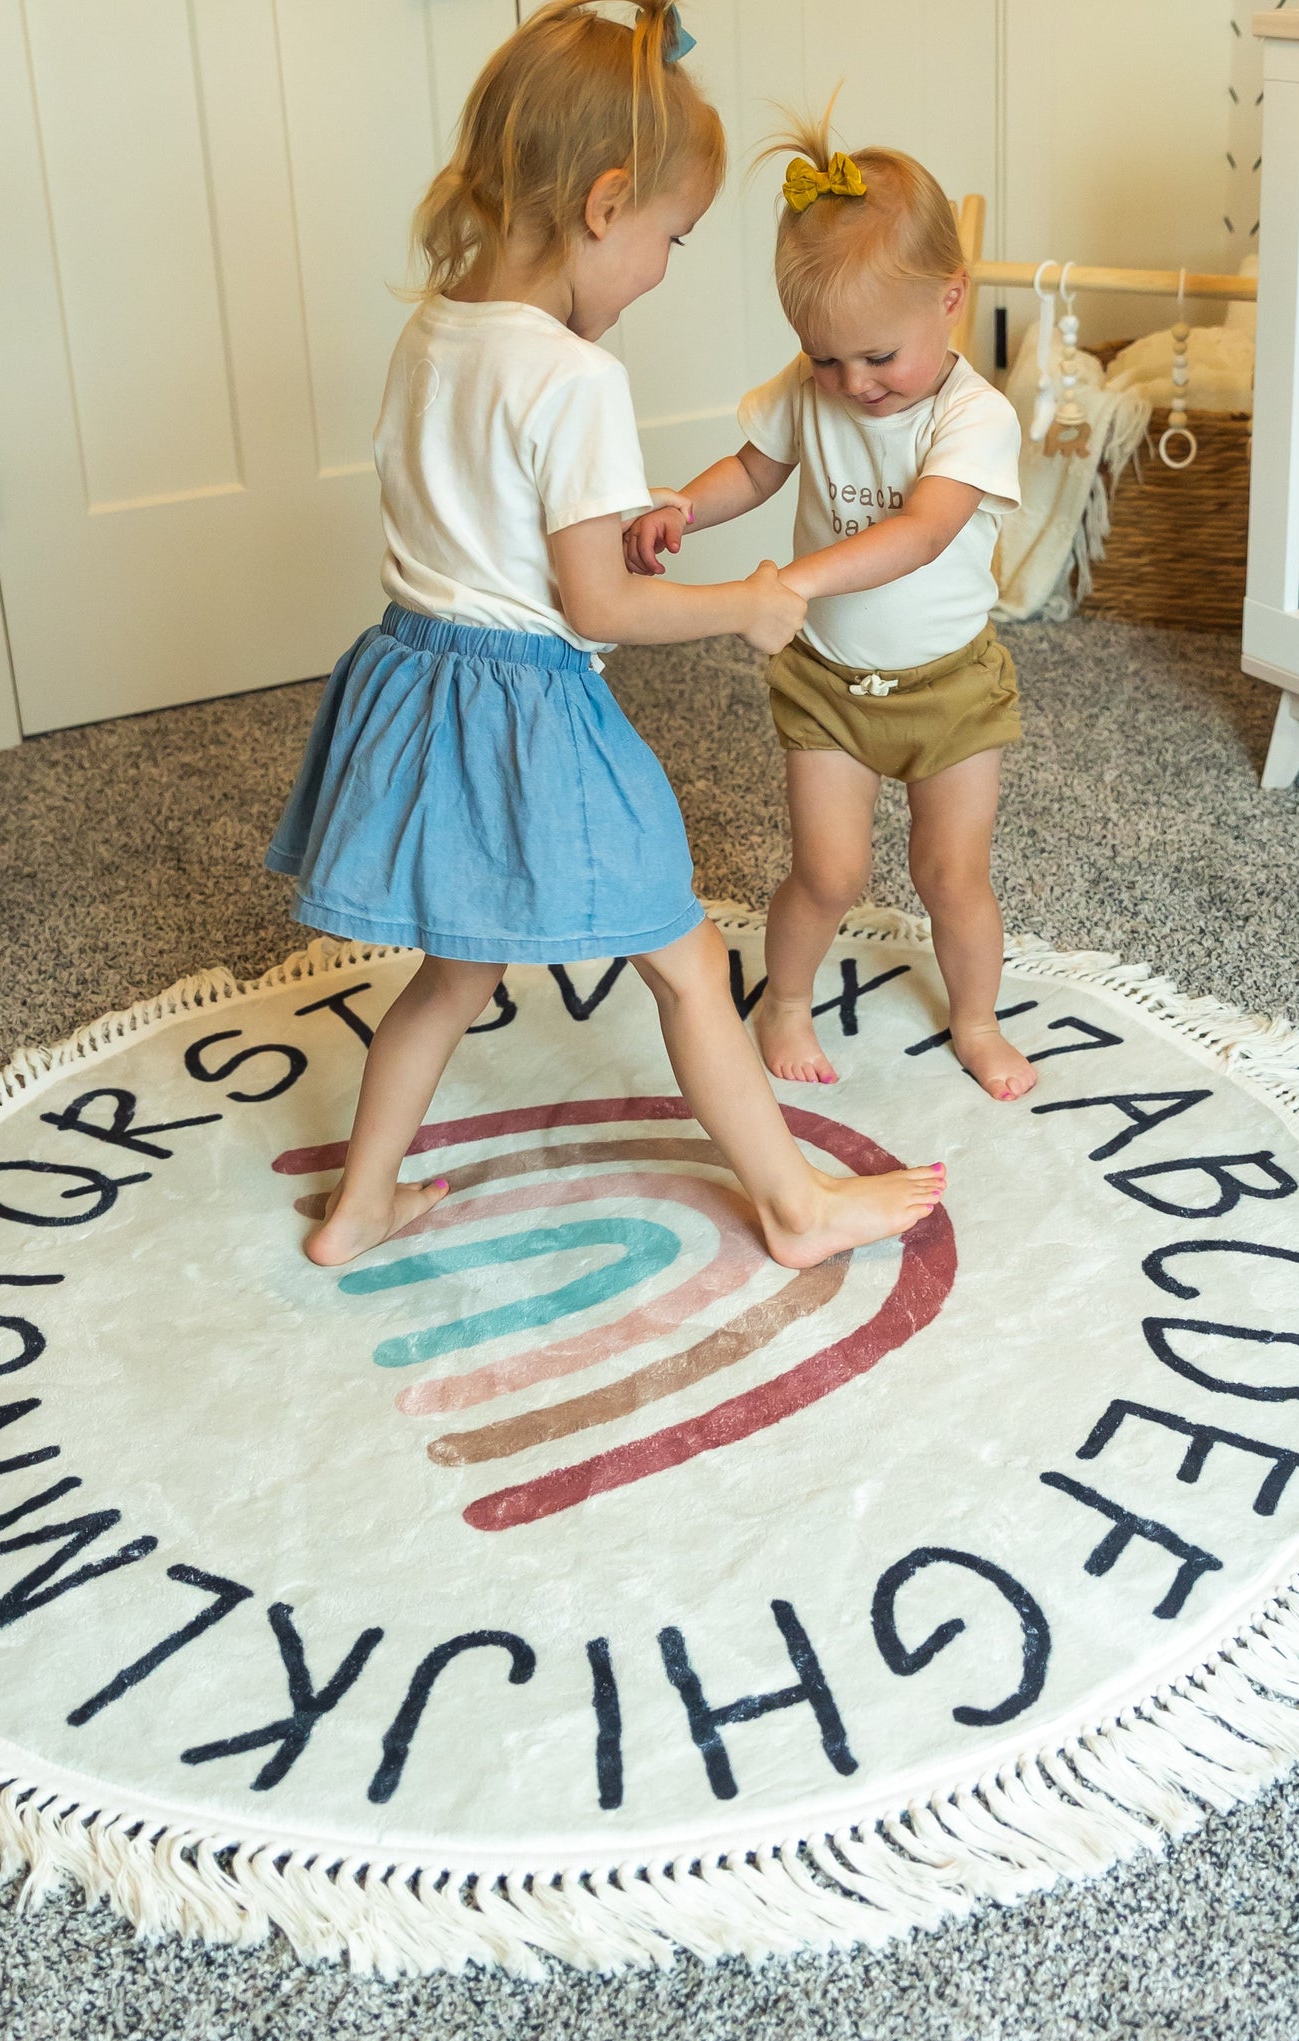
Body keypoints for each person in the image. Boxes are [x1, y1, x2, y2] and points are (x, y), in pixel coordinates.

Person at [267, 3, 946, 1269]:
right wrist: (743, 605)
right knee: (686, 962)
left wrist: (621, 520)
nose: (665, 269)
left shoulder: (433, 330)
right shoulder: (575, 376)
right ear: (605, 201)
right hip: (528, 717)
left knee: (455, 970)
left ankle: (359, 1207)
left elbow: (488, 525)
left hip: (416, 685)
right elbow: (596, 610)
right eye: (670, 238)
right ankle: (793, 1208)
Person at [624, 108, 1033, 1100]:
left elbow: (923, 531)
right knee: (826, 873)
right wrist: (683, 502)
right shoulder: (816, 389)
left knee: (951, 876)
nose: (853, 385)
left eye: (877, 357)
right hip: (827, 687)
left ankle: (974, 1019)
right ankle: (785, 1002)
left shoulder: (975, 417)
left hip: (952, 690)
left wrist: (797, 578)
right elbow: (755, 469)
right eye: (823, 358)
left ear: (949, 299)